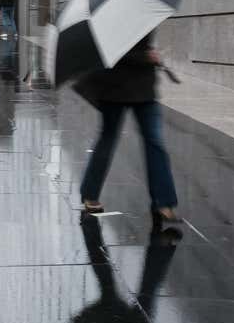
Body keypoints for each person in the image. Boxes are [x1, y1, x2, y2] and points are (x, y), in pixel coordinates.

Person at [76, 35, 179, 228]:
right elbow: (111, 47)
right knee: (108, 138)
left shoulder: (143, 10)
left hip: (144, 86)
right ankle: (90, 194)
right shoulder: (112, 14)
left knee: (154, 141)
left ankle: (164, 202)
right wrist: (145, 57)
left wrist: (148, 56)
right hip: (114, 86)